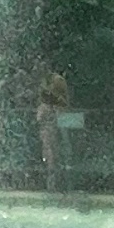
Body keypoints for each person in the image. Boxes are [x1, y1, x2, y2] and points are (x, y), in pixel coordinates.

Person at [34, 60, 79, 191]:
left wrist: (52, 101)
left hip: (59, 117)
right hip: (49, 118)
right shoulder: (44, 81)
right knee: (49, 146)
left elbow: (63, 100)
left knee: (59, 145)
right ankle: (51, 172)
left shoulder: (57, 80)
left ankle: (61, 173)